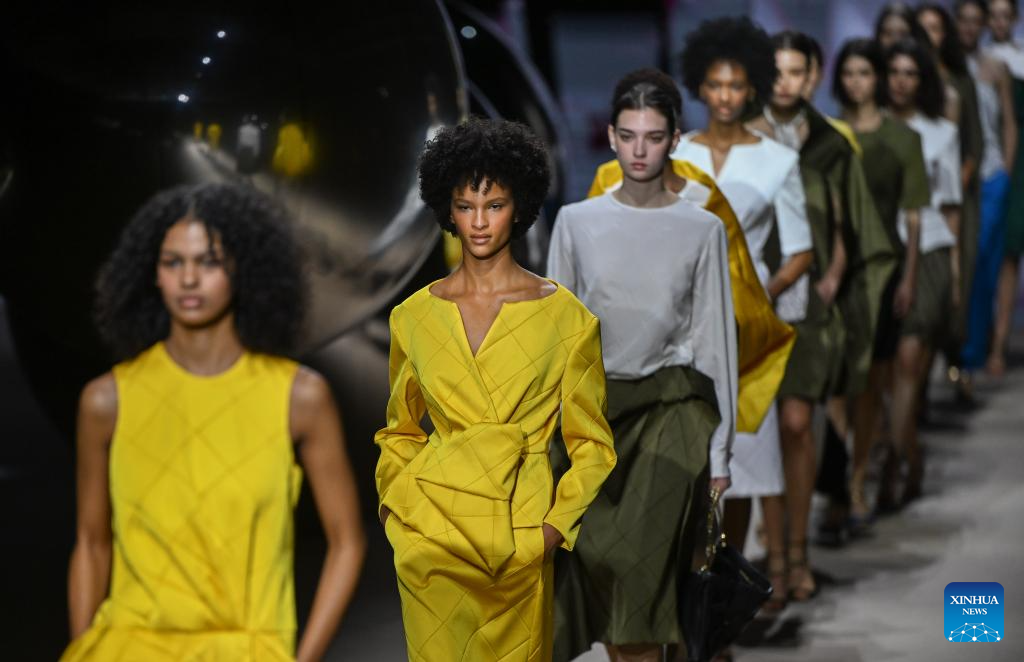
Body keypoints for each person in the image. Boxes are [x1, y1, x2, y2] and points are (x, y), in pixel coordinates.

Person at [61, 183, 366, 661]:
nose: (188, 279)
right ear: (152, 273)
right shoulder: (107, 401)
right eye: (172, 262)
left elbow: (347, 542)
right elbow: (91, 542)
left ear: (244, 269)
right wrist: (83, 648)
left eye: (209, 262)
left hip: (248, 647)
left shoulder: (298, 398)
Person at [375, 117, 616, 662]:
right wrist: (396, 514)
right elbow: (399, 430)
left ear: (520, 206)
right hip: (430, 539)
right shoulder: (412, 317)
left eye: (495, 205)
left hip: (517, 537)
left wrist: (551, 531)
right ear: (447, 210)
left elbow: (592, 446)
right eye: (466, 206)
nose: (480, 222)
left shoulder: (567, 318)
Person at [548, 68, 737, 662]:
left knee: (638, 571)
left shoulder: (702, 228)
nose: (639, 150)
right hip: (596, 417)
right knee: (602, 568)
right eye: (628, 136)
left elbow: (715, 341)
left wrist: (721, 454)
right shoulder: (576, 222)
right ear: (610, 136)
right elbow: (555, 337)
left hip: (671, 411)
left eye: (653, 137)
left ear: (674, 140)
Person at [674, 16, 813, 616]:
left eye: (735, 85)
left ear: (752, 87)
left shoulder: (778, 160)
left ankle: (749, 582)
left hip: (747, 329)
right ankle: (701, 589)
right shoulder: (676, 152)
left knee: (751, 453)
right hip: (683, 322)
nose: (725, 96)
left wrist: (758, 293)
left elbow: (801, 250)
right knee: (693, 459)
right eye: (714, 84)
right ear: (699, 87)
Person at [748, 29, 894, 593]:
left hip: (807, 302)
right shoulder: (742, 139)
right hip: (752, 301)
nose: (786, 82)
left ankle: (796, 554)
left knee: (797, 424)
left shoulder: (832, 144)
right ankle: (769, 561)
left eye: (797, 71)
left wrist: (833, 278)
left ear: (812, 76)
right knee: (757, 433)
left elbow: (850, 223)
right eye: (777, 70)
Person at [833, 38, 932, 528]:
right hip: (835, 272)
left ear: (878, 79)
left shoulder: (903, 139)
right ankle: (838, 481)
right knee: (835, 384)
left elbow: (913, 215)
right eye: (849, 73)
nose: (857, 83)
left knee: (872, 382)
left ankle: (856, 480)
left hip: (884, 270)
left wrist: (909, 277)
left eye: (865, 73)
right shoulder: (829, 134)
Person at [882, 38, 963, 505]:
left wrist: (955, 276)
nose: (901, 81)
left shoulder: (942, 133)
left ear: (923, 80)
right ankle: (908, 452)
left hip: (929, 249)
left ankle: (893, 463)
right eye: (894, 72)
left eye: (911, 73)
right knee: (883, 373)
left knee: (910, 362)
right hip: (879, 251)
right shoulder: (867, 129)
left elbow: (951, 209)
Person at [916, 3, 985, 400]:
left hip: (955, 198)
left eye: (937, 28)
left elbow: (972, 142)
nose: (930, 36)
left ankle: (958, 364)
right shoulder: (902, 77)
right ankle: (920, 391)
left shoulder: (959, 79)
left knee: (958, 287)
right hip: (915, 201)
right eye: (923, 28)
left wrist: (953, 187)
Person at [955, 0, 1019, 382]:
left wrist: (1006, 171)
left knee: (983, 260)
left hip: (991, 174)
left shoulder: (996, 67)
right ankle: (958, 350)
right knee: (959, 263)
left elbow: (1009, 122)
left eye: (975, 21)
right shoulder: (944, 67)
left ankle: (974, 351)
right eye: (963, 20)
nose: (969, 27)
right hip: (955, 176)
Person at [985, 0, 1024, 376]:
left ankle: (998, 344)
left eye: (1005, 15)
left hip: (1016, 162)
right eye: (992, 15)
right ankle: (993, 344)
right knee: (999, 255)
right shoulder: (980, 61)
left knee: (1010, 255)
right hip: (998, 164)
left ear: (1014, 18)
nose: (998, 22)